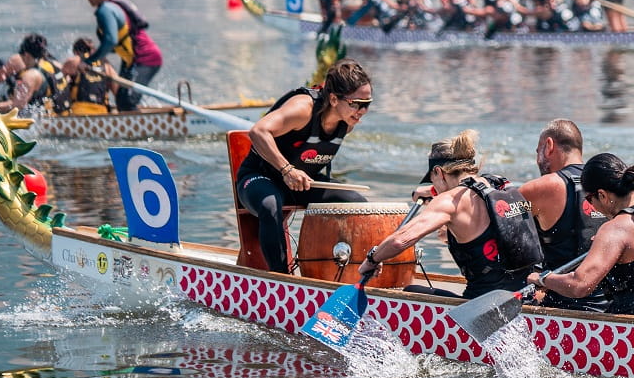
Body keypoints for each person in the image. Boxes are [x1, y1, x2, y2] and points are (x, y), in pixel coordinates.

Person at [358, 130, 544, 299]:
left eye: (433, 180)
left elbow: (400, 241)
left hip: (481, 306)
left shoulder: (449, 202)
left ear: (438, 171)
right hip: (524, 296)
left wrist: (372, 259)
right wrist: (432, 191)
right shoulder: (497, 185)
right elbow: (476, 201)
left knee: (410, 292)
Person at [234, 60, 373, 275]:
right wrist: (287, 170)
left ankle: (343, 273)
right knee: (272, 205)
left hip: (302, 185)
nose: (362, 111)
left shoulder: (347, 122)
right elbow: (258, 131)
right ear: (334, 98)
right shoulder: (302, 109)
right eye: (356, 103)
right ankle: (282, 281)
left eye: (367, 103)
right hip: (258, 180)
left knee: (358, 205)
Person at [535, 153, 634, 318]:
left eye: (589, 199)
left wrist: (542, 279)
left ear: (602, 195)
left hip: (632, 330)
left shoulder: (616, 228)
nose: (592, 206)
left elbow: (579, 285)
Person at [514, 119, 608, 311]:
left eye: (537, 152)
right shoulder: (610, 185)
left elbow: (497, 233)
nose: (537, 160)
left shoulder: (541, 187)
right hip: (609, 304)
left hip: (563, 308)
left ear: (548, 146)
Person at [81, 0, 161, 110]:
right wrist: (99, 53)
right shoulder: (111, 6)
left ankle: (145, 127)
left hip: (145, 58)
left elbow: (111, 40)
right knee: (121, 100)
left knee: (127, 101)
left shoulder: (105, 10)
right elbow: (116, 42)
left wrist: (88, 61)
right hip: (132, 60)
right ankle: (134, 124)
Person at [0, 34, 60, 111]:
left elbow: (18, 105)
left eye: (22, 57)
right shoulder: (52, 64)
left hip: (42, 121)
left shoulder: (30, 75)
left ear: (26, 55)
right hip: (57, 117)